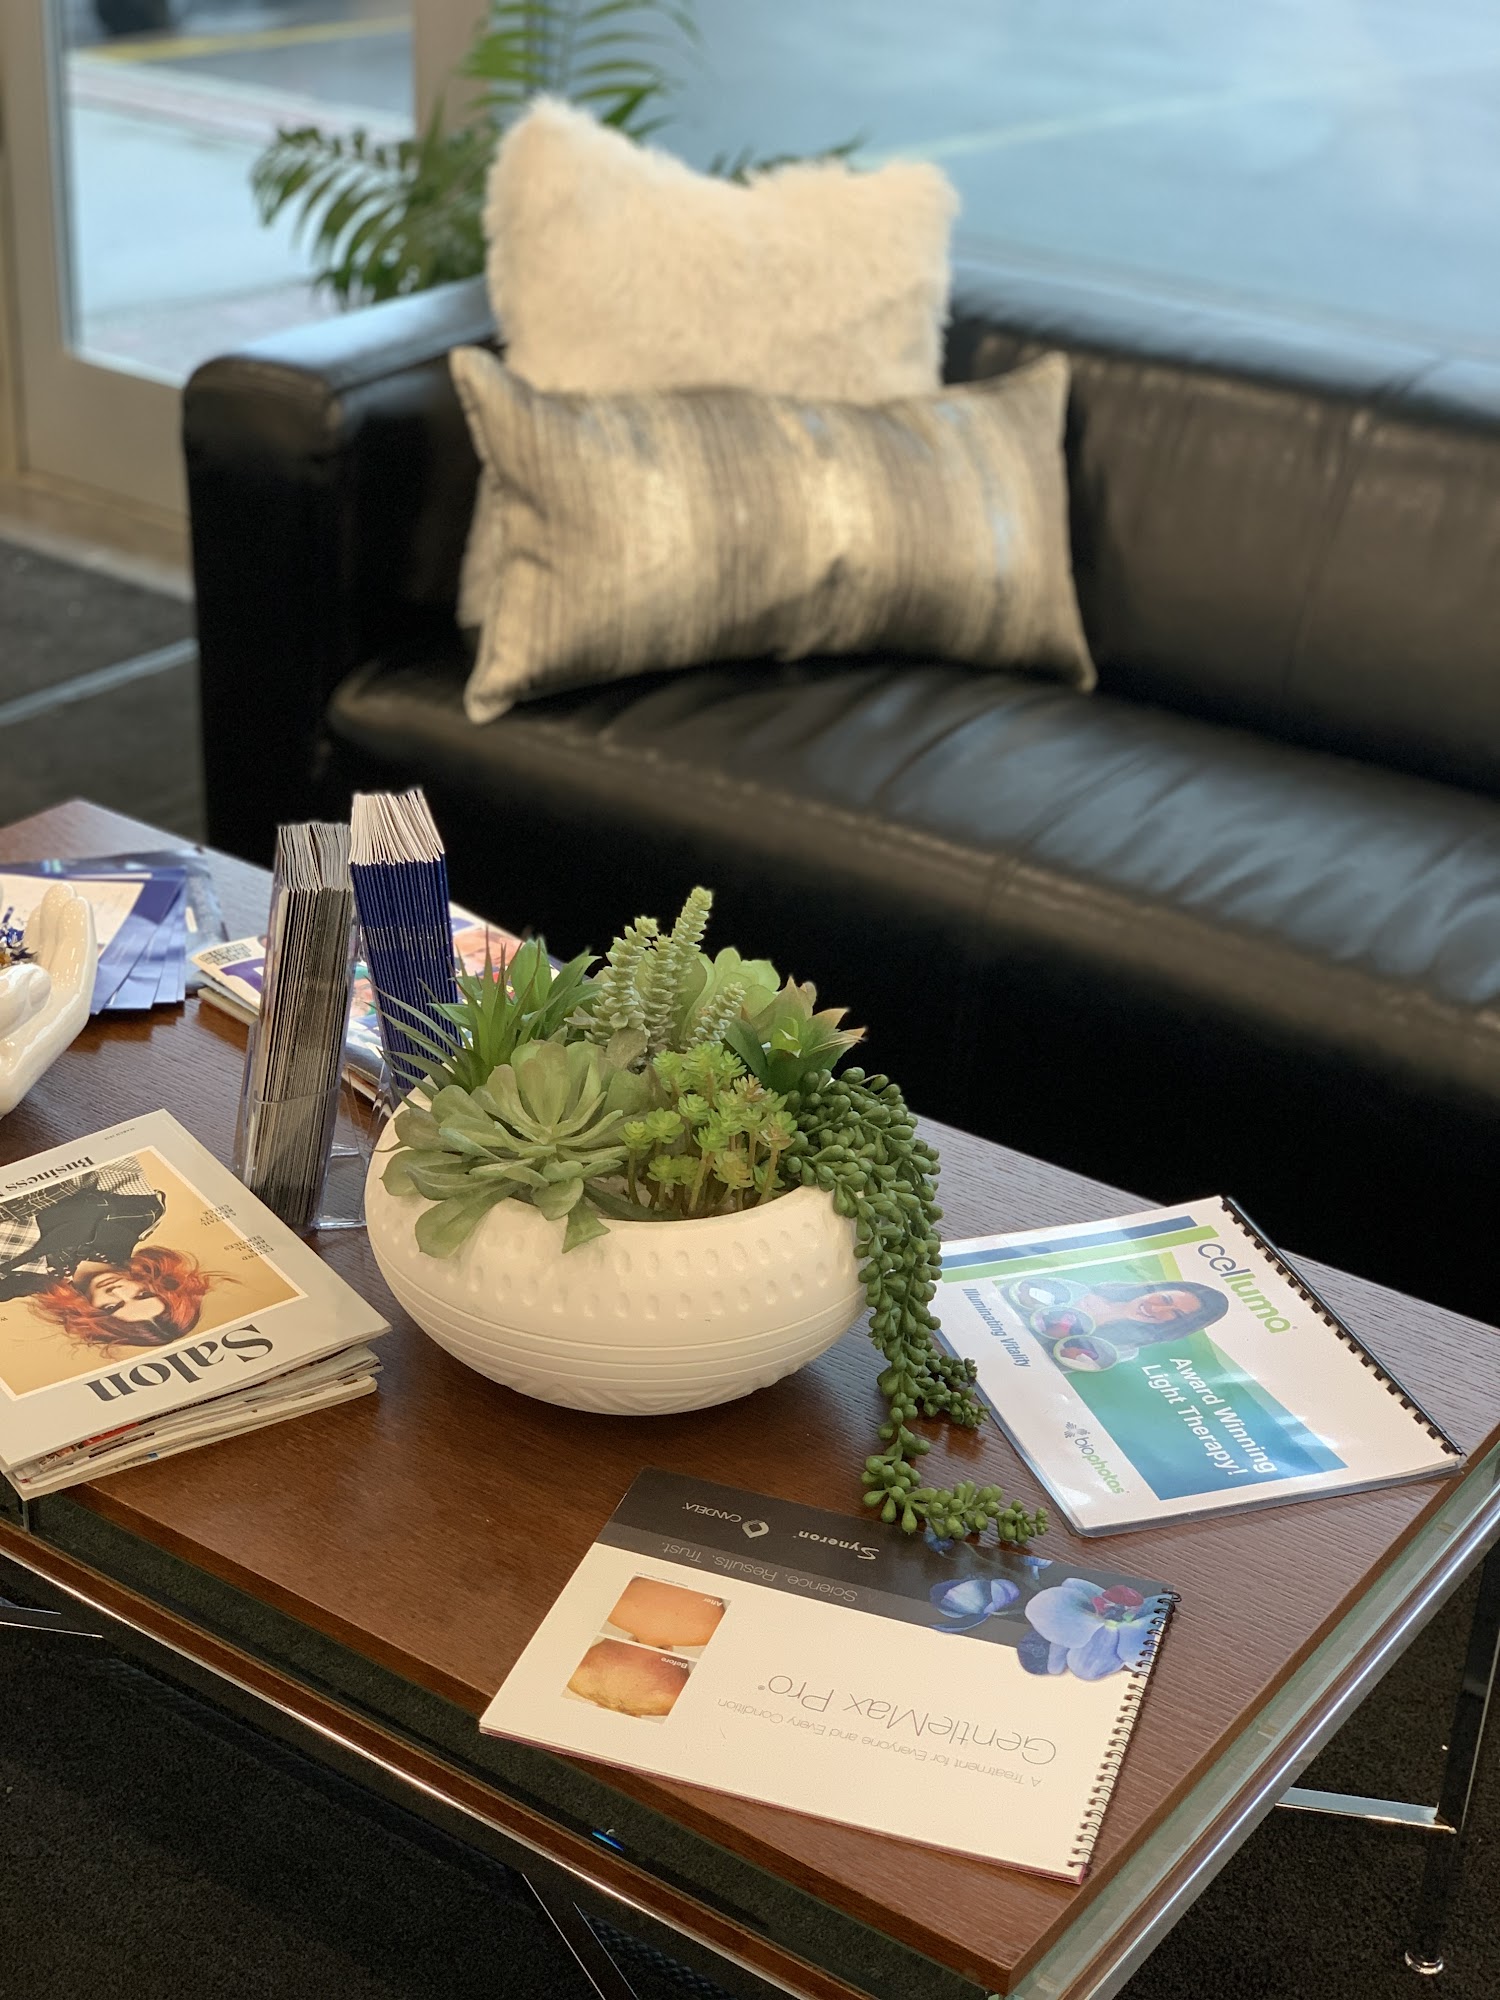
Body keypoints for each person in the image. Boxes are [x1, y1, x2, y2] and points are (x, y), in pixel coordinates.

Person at [27, 1246, 218, 1354]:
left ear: (91, 1315)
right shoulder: (141, 1213)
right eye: (142, 1294)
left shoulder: (19, 1280)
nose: (117, 1292)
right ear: (159, 1283)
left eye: (112, 1306)